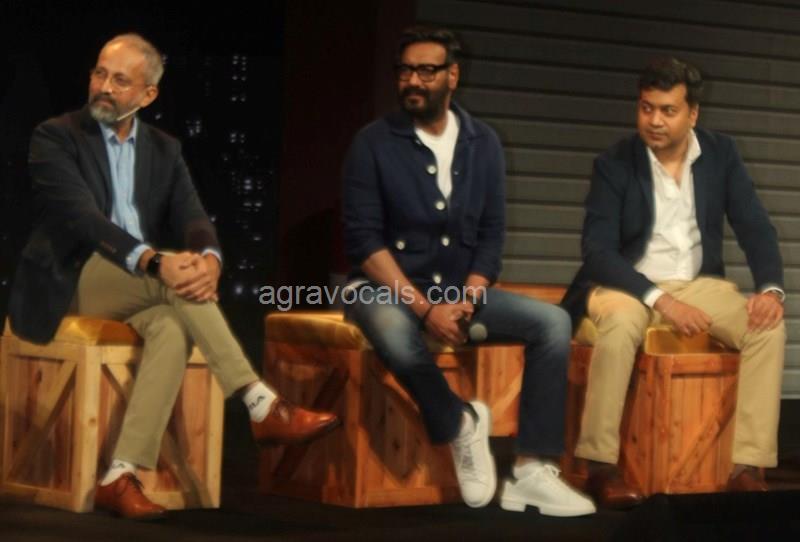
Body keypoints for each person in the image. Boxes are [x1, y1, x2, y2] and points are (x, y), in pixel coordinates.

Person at [8, 33, 339, 520]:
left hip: (135, 283)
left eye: (120, 80)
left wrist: (210, 260)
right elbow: (82, 220)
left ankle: (120, 475)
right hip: (70, 278)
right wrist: (155, 261)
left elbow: (194, 216)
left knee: (171, 325)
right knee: (171, 275)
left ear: (148, 94)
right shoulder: (56, 136)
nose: (104, 87)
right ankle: (259, 402)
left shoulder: (164, 149)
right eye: (100, 73)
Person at [341, 27, 595, 516]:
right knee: (393, 328)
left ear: (452, 76)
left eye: (426, 70)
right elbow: (364, 243)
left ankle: (531, 472)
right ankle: (460, 422)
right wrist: (425, 309)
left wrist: (471, 296)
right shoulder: (372, 143)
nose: (413, 80)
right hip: (383, 288)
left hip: (458, 292)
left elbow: (492, 234)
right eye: (405, 70)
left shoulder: (484, 143)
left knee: (553, 322)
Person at [561, 57, 785, 508]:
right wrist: (662, 300)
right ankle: (599, 465)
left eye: (668, 110)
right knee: (623, 323)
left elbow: (755, 227)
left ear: (692, 113)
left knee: (767, 327)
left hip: (699, 284)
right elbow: (598, 252)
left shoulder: (721, 154)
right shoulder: (615, 163)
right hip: (626, 283)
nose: (655, 121)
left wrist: (770, 289)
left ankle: (746, 467)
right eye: (646, 108)